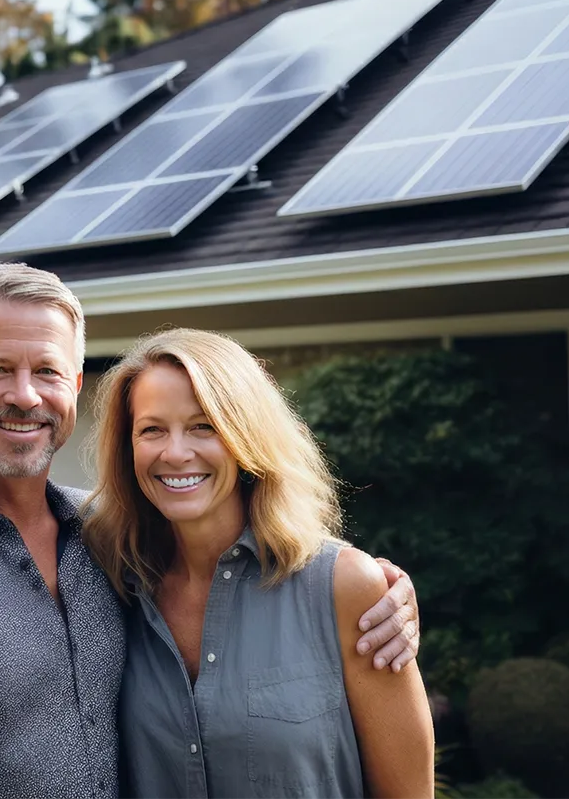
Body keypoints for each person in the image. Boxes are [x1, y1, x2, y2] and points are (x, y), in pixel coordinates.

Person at [0, 262, 422, 799]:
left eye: (47, 371)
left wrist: (381, 588)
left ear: (74, 388)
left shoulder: (113, 541)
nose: (25, 394)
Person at [82, 327, 435, 798]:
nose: (176, 452)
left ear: (245, 436)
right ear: (128, 449)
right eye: (152, 430)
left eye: (203, 425)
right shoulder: (107, 579)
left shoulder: (345, 589)